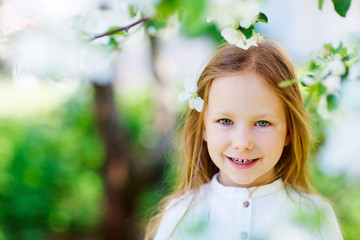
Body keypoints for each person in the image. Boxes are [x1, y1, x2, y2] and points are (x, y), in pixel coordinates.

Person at [145, 40, 343, 240]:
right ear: (203, 127)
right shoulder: (182, 214)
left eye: (262, 123)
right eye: (225, 121)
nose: (242, 143)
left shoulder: (315, 216)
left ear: (289, 132)